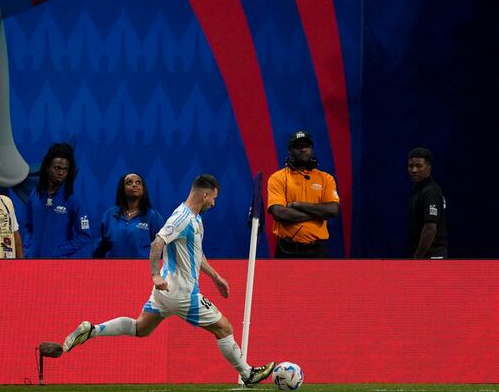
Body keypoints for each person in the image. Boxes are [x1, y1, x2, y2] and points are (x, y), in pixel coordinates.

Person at [61, 174, 275, 387]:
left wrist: (215, 277)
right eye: (213, 198)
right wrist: (154, 275)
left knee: (141, 328)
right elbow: (157, 244)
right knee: (224, 328)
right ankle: (247, 373)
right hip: (182, 293)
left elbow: (196, 254)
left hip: (165, 292)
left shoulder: (196, 219)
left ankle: (93, 330)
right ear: (205, 194)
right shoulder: (181, 218)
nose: (214, 203)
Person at [267, 130, 340, 258]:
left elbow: (333, 210)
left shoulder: (326, 178)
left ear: (311, 149)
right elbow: (280, 213)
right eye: (298, 147)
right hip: (287, 250)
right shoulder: (277, 178)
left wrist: (297, 204)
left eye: (306, 146)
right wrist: (318, 215)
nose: (303, 150)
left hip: (318, 250)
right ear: (290, 151)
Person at [23, 143, 92, 258]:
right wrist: (28, 249)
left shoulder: (73, 200)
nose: (61, 173)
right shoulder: (35, 195)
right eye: (57, 168)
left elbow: (84, 236)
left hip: (58, 266)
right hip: (33, 263)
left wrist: (60, 252)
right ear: (47, 167)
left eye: (65, 169)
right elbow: (28, 227)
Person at [94, 172, 164, 258]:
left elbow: (162, 248)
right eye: (129, 183)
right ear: (122, 189)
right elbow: (99, 249)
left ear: (143, 189)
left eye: (138, 182)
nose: (134, 185)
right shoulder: (109, 215)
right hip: (112, 268)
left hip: (142, 269)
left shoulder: (153, 216)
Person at [406, 147, 448, 259]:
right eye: (410, 166)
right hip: (424, 255)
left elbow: (430, 228)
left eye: (419, 166)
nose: (414, 170)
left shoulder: (431, 191)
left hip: (433, 256)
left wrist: (417, 258)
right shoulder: (417, 191)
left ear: (429, 168)